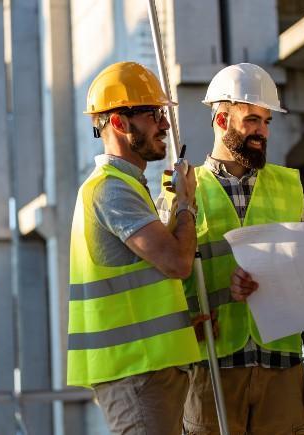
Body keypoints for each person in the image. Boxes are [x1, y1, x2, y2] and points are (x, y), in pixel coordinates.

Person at [160, 63, 304, 435]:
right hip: (211, 370)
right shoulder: (181, 191)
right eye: (252, 120)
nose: (263, 132)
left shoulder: (289, 187)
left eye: (267, 122)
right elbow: (165, 283)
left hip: (282, 367)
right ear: (221, 119)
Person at [65, 61, 203, 435]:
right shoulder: (111, 189)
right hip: (137, 373)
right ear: (119, 123)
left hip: (147, 369)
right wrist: (186, 205)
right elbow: (176, 262)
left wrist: (179, 325)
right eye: (152, 113)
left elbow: (142, 284)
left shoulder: (128, 186)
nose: (165, 124)